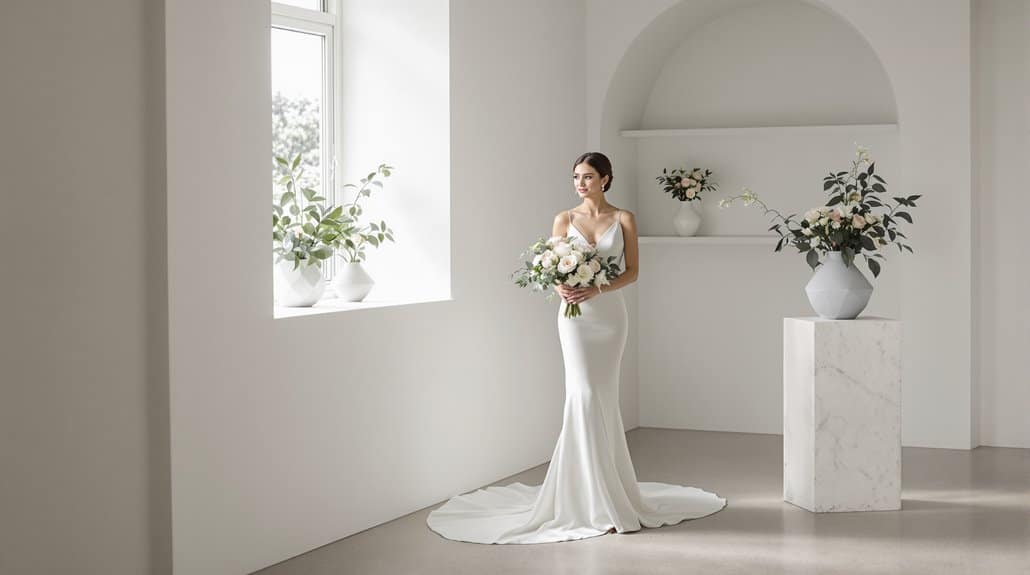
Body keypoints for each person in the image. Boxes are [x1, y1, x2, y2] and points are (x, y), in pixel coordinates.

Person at [427, 152, 726, 544]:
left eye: (587, 177)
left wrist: (598, 288)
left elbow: (633, 271)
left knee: (603, 396)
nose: (580, 184)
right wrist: (563, 288)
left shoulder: (624, 219)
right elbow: (551, 266)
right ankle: (585, 499)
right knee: (581, 394)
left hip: (609, 317)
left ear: (605, 179)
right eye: (575, 177)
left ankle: (608, 493)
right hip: (574, 318)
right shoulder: (564, 219)